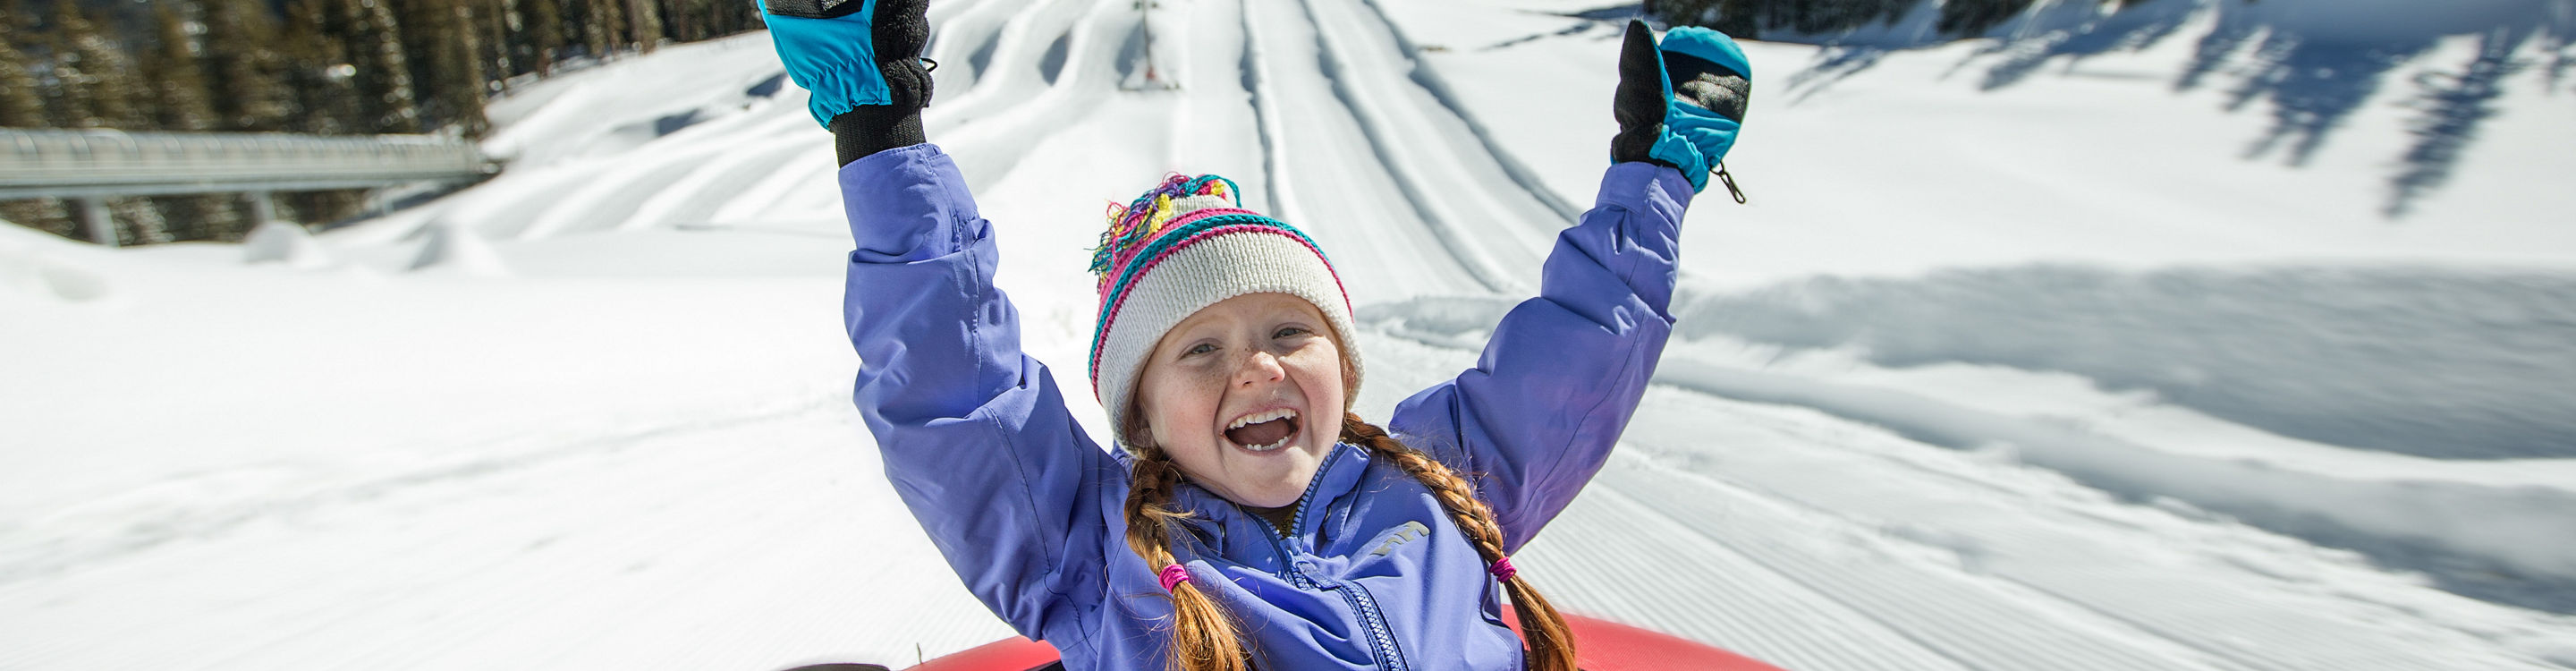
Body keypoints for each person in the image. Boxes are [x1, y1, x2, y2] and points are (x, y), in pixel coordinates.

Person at [759, 0, 1751, 668]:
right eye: (1199, 349)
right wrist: (879, 128)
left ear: (1343, 366)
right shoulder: (1096, 553)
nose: (1258, 366)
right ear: (1143, 417)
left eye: (1290, 329)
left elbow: (1577, 352)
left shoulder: (1442, 486)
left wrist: (1656, 176)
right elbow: (957, 395)